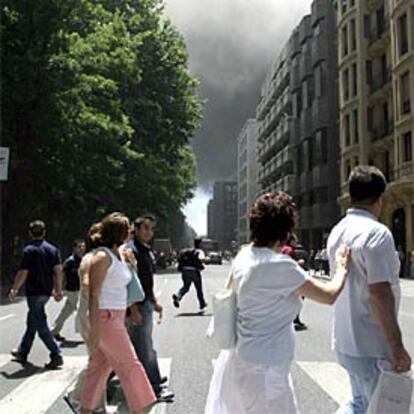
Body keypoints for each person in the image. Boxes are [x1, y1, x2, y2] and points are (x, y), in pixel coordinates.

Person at [205, 191, 351, 414]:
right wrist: (341, 267)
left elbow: (229, 295)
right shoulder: (280, 266)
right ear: (285, 230)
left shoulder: (244, 256)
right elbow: (328, 295)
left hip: (245, 358)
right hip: (266, 367)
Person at [327, 165, 411, 414]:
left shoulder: (337, 231)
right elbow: (380, 292)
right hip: (372, 346)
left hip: (345, 342)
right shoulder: (377, 234)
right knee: (383, 408)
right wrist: (396, 347)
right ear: (379, 198)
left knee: (360, 404)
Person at [80, 213, 156, 414]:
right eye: (126, 228)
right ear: (118, 232)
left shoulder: (120, 254)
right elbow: (93, 294)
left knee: (99, 368)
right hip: (105, 318)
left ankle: (85, 409)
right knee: (130, 364)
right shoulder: (102, 257)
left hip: (117, 316)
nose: (130, 230)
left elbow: (128, 285)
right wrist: (95, 329)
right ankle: (142, 407)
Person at [126, 215, 174, 402]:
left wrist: (154, 301)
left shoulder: (144, 249)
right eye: (145, 228)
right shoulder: (131, 250)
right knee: (144, 347)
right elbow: (130, 283)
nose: (149, 232)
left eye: (152, 229)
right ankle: (155, 387)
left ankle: (150, 376)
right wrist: (135, 309)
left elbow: (146, 281)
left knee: (139, 346)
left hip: (145, 303)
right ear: (136, 229)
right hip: (138, 306)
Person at [64, 224, 107, 413]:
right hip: (91, 316)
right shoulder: (90, 259)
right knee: (99, 359)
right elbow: (86, 284)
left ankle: (97, 405)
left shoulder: (104, 257)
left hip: (98, 315)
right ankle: (78, 395)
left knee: (102, 360)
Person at [9, 220, 64, 369]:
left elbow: (23, 272)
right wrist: (58, 290)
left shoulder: (29, 250)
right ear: (44, 232)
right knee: (32, 322)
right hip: (46, 291)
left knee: (41, 326)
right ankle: (23, 351)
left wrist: (15, 288)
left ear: (30, 233)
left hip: (34, 292)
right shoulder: (53, 249)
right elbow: (58, 271)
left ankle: (56, 354)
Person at [52, 239, 86, 341]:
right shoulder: (70, 261)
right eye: (79, 247)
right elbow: (61, 274)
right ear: (74, 248)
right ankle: (88, 334)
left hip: (79, 290)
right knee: (83, 312)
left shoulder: (84, 260)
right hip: (72, 291)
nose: (81, 249)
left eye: (83, 246)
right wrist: (58, 289)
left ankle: (54, 331)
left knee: (66, 311)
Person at [172, 238, 208, 311]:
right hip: (194, 271)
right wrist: (207, 260)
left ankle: (178, 295)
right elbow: (202, 259)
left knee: (186, 287)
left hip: (185, 271)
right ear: (200, 244)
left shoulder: (187, 251)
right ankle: (202, 304)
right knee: (198, 288)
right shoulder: (199, 251)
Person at [281, 236, 307, 331]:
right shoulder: (290, 250)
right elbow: (291, 264)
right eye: (295, 241)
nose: (297, 242)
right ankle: (295, 318)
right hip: (292, 279)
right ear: (291, 241)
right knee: (300, 297)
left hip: (284, 279)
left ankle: (293, 319)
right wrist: (299, 262)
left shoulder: (282, 248)